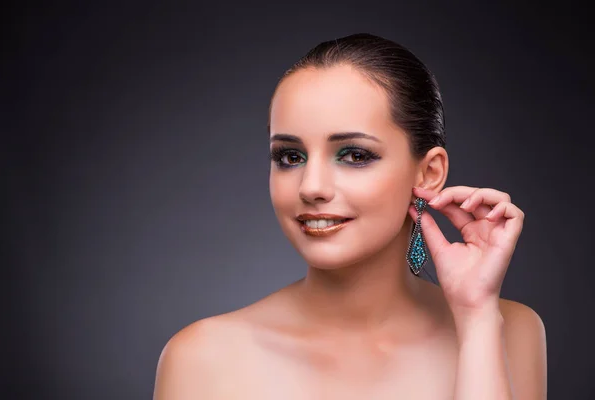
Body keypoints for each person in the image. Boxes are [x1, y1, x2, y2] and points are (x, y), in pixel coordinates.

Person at [153, 33, 547, 399]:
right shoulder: (201, 358)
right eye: (290, 157)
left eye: (354, 155)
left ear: (428, 173)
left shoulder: (510, 330)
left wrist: (477, 320)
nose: (311, 186)